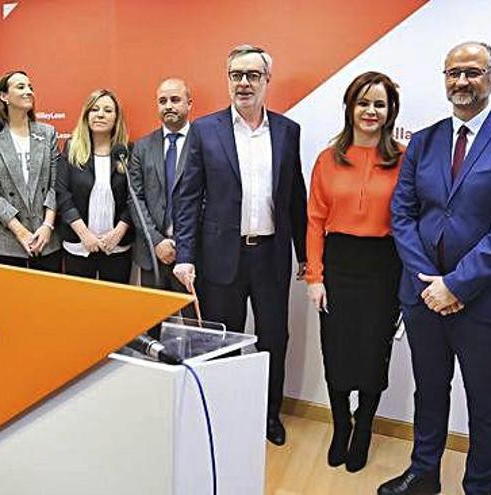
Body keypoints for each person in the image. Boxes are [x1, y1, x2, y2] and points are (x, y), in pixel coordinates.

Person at [379, 42, 491, 495]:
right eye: (453, 72)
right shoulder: (425, 140)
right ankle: (423, 472)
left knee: (486, 400)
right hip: (422, 297)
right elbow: (403, 214)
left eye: (472, 72)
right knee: (429, 390)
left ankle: (480, 487)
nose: (461, 82)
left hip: (486, 300)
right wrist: (428, 281)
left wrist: (457, 284)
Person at [173, 45, 308, 446]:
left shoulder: (288, 131)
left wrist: (305, 255)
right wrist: (185, 255)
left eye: (252, 75)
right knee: (222, 340)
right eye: (236, 75)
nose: (243, 83)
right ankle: (225, 414)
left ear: (267, 80)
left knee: (273, 339)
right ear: (228, 79)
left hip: (270, 256)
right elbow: (187, 197)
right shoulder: (204, 129)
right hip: (220, 258)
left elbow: (294, 196)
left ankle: (269, 415)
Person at [306, 71, 404, 472]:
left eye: (379, 104)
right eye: (363, 102)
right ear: (350, 107)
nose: (370, 111)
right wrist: (315, 277)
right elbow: (314, 220)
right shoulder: (327, 159)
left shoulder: (403, 158)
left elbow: (410, 220)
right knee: (338, 352)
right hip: (339, 264)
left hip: (384, 266)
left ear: (390, 111)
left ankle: (363, 427)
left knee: (373, 353)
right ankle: (340, 425)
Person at [0, 70, 61, 271]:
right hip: (5, 241)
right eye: (21, 87)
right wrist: (20, 231)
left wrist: (47, 226)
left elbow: (56, 184)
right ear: (4, 96)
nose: (28, 91)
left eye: (30, 87)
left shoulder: (47, 133)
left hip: (45, 237)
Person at [127, 78, 195, 315]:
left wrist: (181, 244)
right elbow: (135, 199)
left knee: (194, 333)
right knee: (153, 329)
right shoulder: (142, 147)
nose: (169, 106)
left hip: (192, 255)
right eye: (162, 101)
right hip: (152, 255)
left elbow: (210, 198)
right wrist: (157, 241)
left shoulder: (204, 142)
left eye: (175, 100)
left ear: (189, 104)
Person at [56, 89, 133, 282]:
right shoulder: (72, 148)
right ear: (86, 115)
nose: (100, 114)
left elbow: (135, 197)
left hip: (117, 247)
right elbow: (62, 194)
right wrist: (85, 235)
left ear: (116, 118)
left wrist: (118, 232)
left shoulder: (127, 152)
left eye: (108, 110)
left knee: (115, 306)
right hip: (79, 245)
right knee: (81, 307)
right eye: (95, 109)